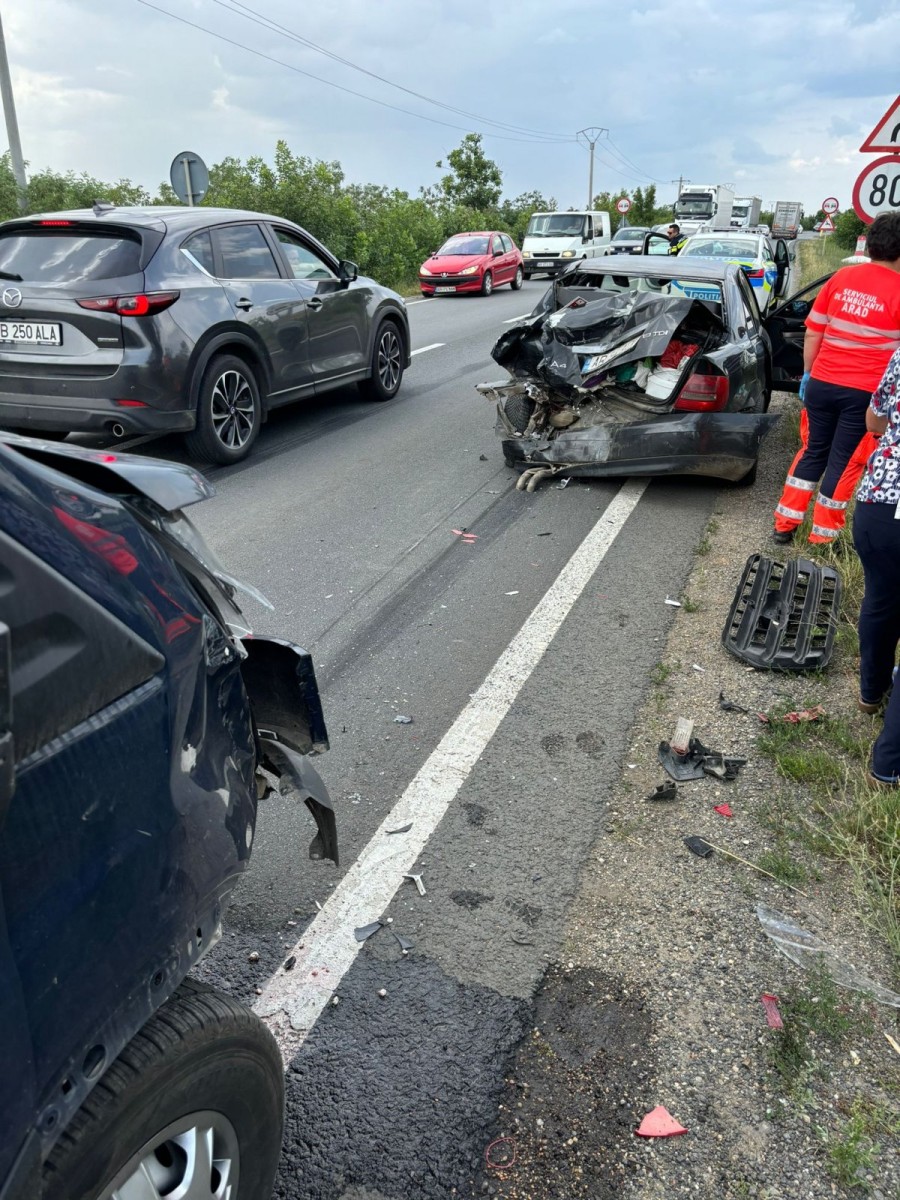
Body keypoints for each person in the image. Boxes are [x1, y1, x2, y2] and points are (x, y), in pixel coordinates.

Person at [773, 210, 900, 545]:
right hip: (864, 394)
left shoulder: (841, 278)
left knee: (813, 450)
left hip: (822, 384)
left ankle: (784, 525)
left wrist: (809, 374)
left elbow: (814, 332)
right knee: (845, 461)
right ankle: (823, 536)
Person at [852, 345, 900, 783]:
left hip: (880, 503)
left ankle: (871, 693)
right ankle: (888, 765)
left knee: (882, 600)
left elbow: (874, 420)